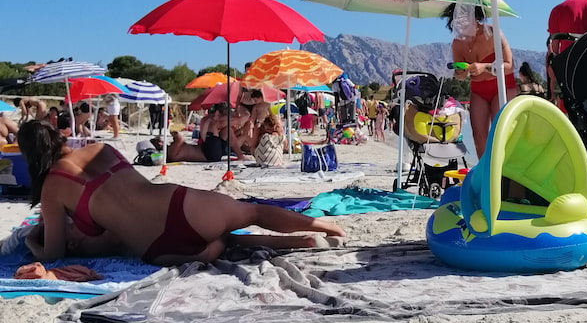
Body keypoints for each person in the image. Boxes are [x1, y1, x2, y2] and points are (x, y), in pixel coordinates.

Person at [17, 121, 344, 265]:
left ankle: (298, 243)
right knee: (251, 212)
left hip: (157, 248)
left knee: (222, 243)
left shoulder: (52, 188)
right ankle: (323, 229)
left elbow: (55, 253)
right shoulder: (101, 148)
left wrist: (33, 239)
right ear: (59, 137)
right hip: (180, 205)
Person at [442, 2, 518, 160]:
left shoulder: (492, 33)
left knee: (500, 132)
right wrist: (461, 74)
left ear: (475, 17)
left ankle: (503, 171)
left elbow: (510, 66)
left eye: (464, 18)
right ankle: (484, 172)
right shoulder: (458, 43)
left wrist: (485, 67)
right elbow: (459, 72)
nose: (461, 23)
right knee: (478, 136)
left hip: (502, 85)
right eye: (457, 20)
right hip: (478, 89)